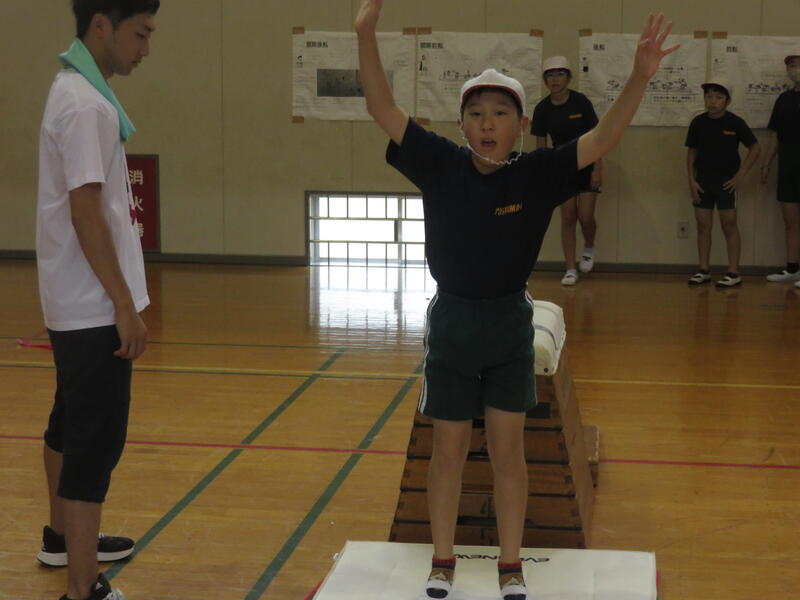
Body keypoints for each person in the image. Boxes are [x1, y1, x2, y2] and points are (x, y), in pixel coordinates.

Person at [354, 1, 677, 598]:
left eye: (500, 113)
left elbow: (604, 137)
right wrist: (365, 34)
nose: (487, 123)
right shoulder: (441, 163)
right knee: (447, 452)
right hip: (453, 322)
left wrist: (639, 76)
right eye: (476, 113)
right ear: (461, 125)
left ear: (521, 124)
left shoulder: (536, 173)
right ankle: (442, 560)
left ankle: (510, 564)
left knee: (508, 454)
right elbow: (381, 107)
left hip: (508, 324)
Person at [36, 1, 159, 599]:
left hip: (72, 302)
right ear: (102, 24)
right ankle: (82, 588)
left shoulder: (72, 89)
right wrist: (123, 306)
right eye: (141, 33)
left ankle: (62, 539)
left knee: (68, 426)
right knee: (93, 447)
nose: (145, 48)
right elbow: (86, 210)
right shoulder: (86, 105)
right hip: (92, 308)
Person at [531, 56, 602, 286]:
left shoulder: (581, 102)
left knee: (586, 216)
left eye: (560, 74)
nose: (555, 79)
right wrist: (543, 175)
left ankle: (589, 246)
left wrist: (597, 169)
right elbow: (541, 146)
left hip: (587, 162)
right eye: (550, 75)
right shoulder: (542, 109)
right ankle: (571, 268)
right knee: (568, 216)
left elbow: (597, 138)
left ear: (568, 78)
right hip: (561, 166)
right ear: (545, 80)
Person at [685, 78, 760, 287]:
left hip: (726, 183)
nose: (713, 101)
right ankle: (703, 270)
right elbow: (691, 153)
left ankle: (733, 273)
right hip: (702, 181)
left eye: (718, 97)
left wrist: (740, 175)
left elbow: (755, 148)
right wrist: (691, 180)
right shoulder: (698, 122)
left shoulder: (735, 122)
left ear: (727, 101)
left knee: (729, 225)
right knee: (703, 226)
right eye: (709, 96)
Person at [760, 53, 800, 287]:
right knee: (790, 219)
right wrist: (766, 164)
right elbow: (775, 135)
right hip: (787, 160)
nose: (793, 68)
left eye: (797, 64)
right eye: (790, 65)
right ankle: (793, 269)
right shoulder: (784, 99)